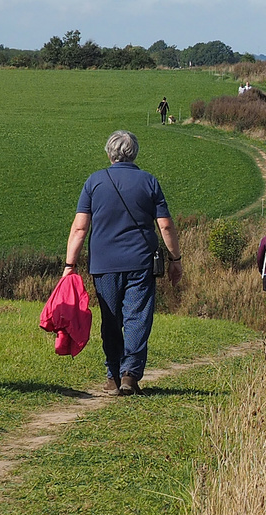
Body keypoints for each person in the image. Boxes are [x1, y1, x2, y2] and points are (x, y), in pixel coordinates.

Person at [62, 130, 180, 395]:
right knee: (138, 318)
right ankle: (130, 375)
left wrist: (70, 265)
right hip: (140, 262)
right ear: (134, 152)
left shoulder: (95, 182)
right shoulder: (149, 181)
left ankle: (112, 375)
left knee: (111, 319)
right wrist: (175, 259)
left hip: (103, 265)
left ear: (109, 152)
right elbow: (165, 226)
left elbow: (80, 229)